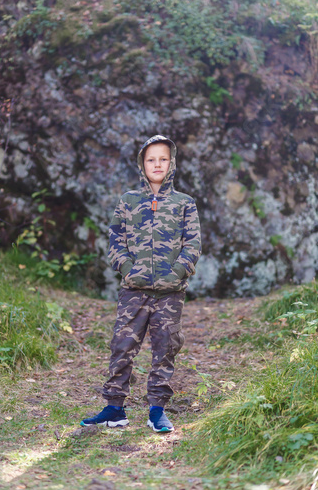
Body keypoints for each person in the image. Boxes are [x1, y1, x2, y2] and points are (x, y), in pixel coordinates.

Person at [81, 134, 201, 433]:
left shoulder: (184, 203)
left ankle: (157, 410)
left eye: (163, 158)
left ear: (171, 163)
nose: (157, 164)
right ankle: (114, 409)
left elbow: (193, 244)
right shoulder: (128, 201)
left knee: (165, 348)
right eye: (151, 159)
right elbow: (115, 242)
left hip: (170, 293)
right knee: (122, 346)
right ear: (142, 164)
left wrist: (177, 272)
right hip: (133, 291)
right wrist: (129, 269)